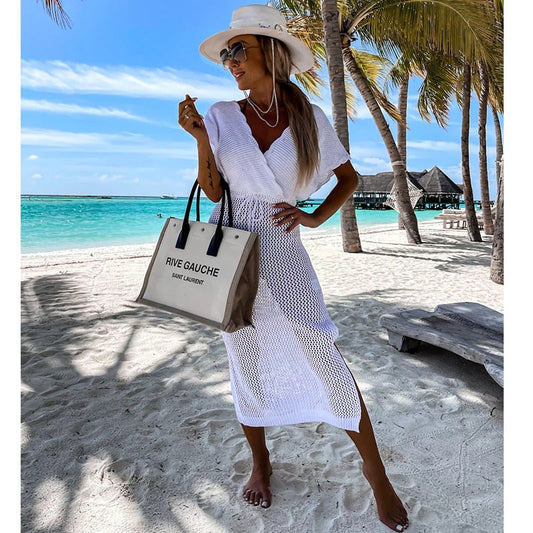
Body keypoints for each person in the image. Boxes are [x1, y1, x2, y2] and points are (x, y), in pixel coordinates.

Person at [178, 5, 409, 532]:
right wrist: (198, 138)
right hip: (233, 243)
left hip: (284, 245)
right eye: (226, 53)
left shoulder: (309, 118)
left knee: (321, 349)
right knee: (248, 357)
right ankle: (261, 461)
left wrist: (312, 217)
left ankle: (377, 476)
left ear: (271, 52)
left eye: (240, 49)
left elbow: (347, 179)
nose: (230, 60)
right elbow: (214, 191)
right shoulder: (220, 115)